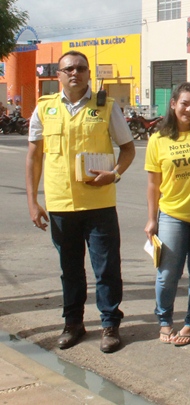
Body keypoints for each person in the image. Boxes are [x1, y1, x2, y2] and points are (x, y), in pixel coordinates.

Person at [25, 50, 135, 353]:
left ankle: (110, 325)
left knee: (107, 269)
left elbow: (128, 150)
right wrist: (33, 202)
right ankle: (73, 323)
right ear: (58, 75)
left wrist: (113, 175)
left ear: (88, 73)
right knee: (70, 269)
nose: (75, 73)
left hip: (99, 204)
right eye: (68, 69)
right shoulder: (44, 109)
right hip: (61, 206)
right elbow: (34, 158)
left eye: (81, 68)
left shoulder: (106, 107)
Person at [144, 82, 190, 346]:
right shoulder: (158, 139)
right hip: (171, 215)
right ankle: (164, 320)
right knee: (167, 274)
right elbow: (153, 184)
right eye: (184, 103)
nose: (189, 110)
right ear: (173, 103)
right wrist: (152, 219)